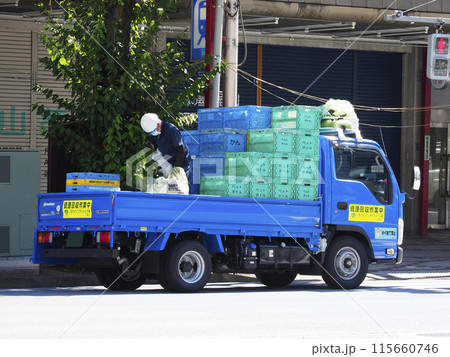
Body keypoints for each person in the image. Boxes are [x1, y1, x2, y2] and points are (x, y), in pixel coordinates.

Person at [140, 113, 192, 180]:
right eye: (150, 133)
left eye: (153, 132)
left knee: (180, 184)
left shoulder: (171, 130)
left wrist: (176, 168)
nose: (152, 134)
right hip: (168, 160)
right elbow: (155, 146)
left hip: (182, 161)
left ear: (158, 124)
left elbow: (181, 150)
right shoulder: (153, 132)